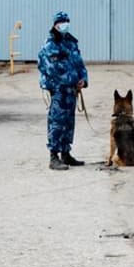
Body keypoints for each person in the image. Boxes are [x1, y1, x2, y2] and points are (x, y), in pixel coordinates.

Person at [36, 11, 88, 170]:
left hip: (71, 89)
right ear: (55, 24)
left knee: (68, 122)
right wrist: (71, 80)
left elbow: (79, 64)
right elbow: (53, 69)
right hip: (58, 89)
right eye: (61, 21)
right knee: (57, 122)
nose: (64, 24)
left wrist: (83, 79)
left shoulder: (71, 42)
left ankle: (66, 153)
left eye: (66, 21)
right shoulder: (50, 45)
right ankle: (54, 156)